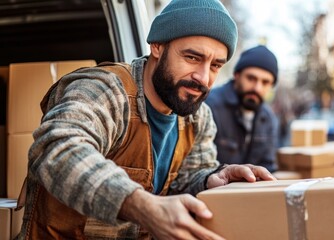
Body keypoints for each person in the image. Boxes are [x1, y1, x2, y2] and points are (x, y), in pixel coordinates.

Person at [16, 1, 275, 239]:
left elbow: (185, 181)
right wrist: (142, 206)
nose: (204, 78)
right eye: (193, 57)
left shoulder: (198, 115)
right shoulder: (105, 90)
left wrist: (211, 178)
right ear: (157, 47)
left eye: (216, 65)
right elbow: (57, 149)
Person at [205, 45, 279, 172]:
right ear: (236, 75)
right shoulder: (209, 106)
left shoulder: (268, 118)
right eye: (251, 78)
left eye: (265, 82)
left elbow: (268, 167)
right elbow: (198, 170)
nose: (257, 88)